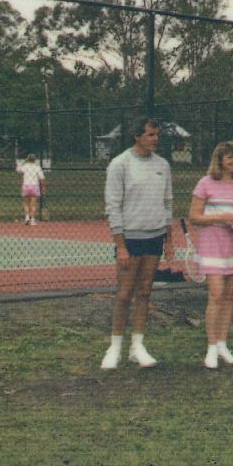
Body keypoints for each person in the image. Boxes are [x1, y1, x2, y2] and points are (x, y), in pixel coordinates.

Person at [100, 117, 173, 370]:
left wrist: (168, 239)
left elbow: (167, 203)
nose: (155, 139)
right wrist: (121, 245)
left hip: (154, 238)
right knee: (124, 295)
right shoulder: (120, 164)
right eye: (151, 135)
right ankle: (115, 347)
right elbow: (113, 206)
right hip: (129, 239)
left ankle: (137, 347)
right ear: (137, 136)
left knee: (144, 292)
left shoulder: (163, 165)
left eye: (157, 134)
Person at [188, 141, 233, 369]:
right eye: (229, 157)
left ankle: (222, 345)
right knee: (216, 294)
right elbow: (194, 217)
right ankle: (210, 348)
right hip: (213, 243)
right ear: (219, 160)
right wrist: (221, 218)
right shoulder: (205, 183)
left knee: (229, 295)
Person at [16, 154, 45, 225]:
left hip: (26, 186)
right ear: (35, 160)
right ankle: (32, 220)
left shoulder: (25, 167)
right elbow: (42, 178)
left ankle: (27, 218)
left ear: (27, 159)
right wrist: (43, 187)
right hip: (34, 186)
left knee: (26, 203)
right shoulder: (37, 167)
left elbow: (18, 169)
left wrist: (24, 162)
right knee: (33, 204)